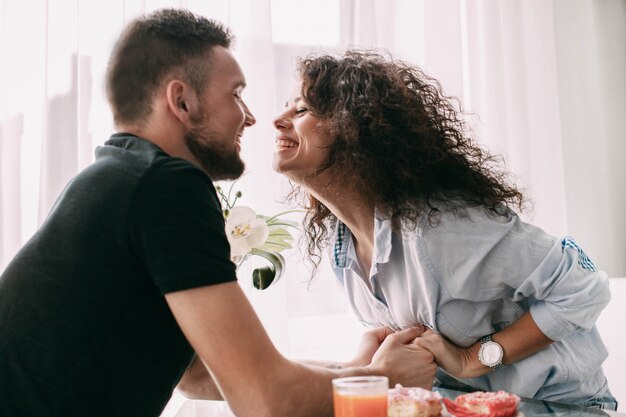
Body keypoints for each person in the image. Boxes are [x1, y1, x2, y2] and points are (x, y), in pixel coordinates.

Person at [0, 11, 437, 417]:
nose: (249, 117)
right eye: (236, 94)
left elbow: (196, 375)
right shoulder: (165, 183)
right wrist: (388, 381)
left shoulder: (119, 175)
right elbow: (264, 400)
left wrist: (353, 371)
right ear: (182, 101)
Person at [272, 50, 617, 410]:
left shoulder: (439, 229)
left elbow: (582, 288)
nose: (278, 120)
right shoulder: (342, 248)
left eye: (301, 110)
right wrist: (365, 365)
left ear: (354, 129)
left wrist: (475, 358)